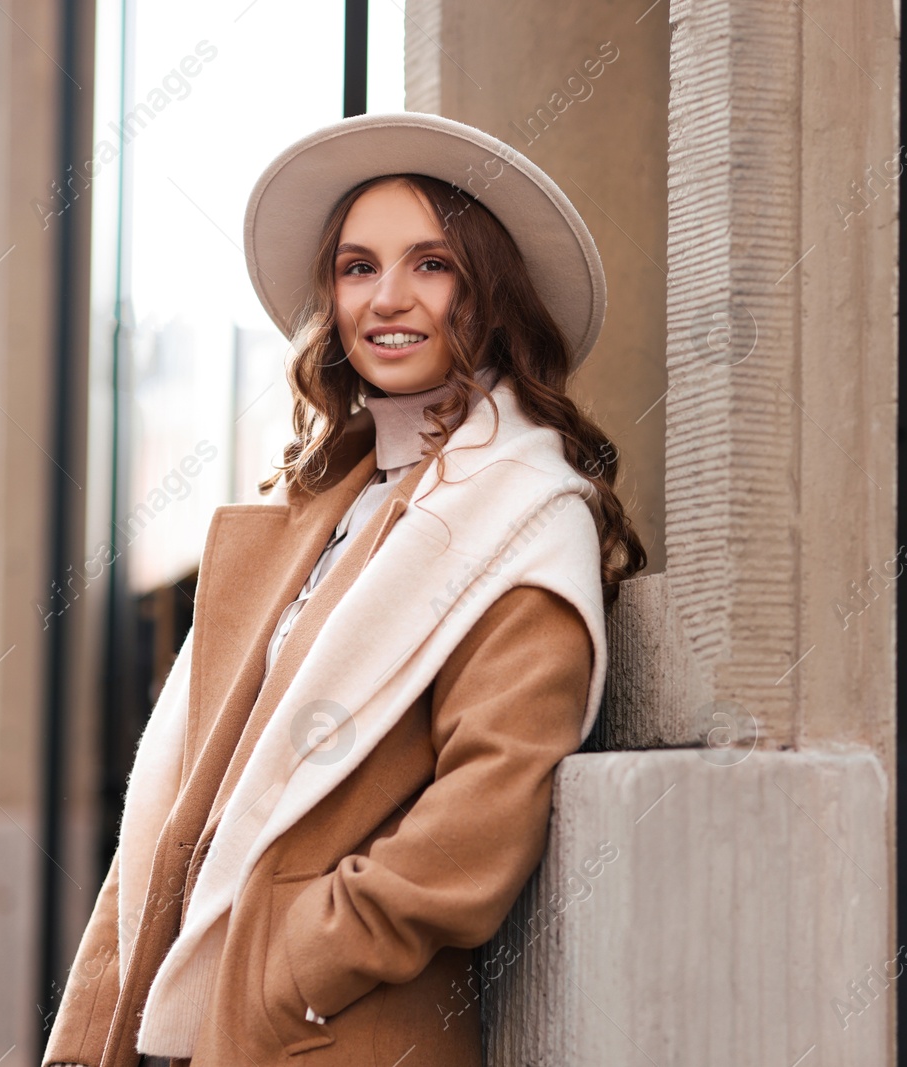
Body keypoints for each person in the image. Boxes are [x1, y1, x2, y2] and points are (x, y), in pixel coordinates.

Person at [41, 113, 645, 1067]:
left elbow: (486, 812)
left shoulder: (524, 518)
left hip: (325, 1032)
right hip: (180, 1015)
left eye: (431, 264)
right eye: (359, 267)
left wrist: (294, 960)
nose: (388, 297)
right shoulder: (322, 507)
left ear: (490, 292)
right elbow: (199, 777)